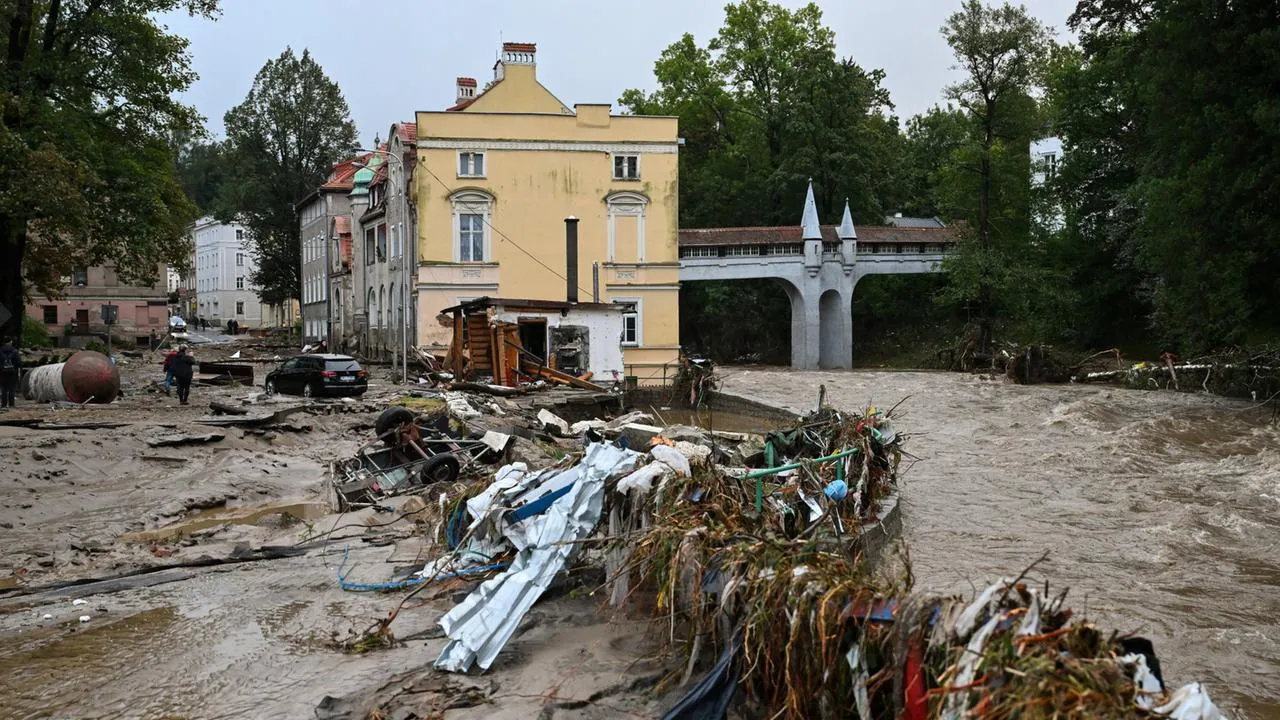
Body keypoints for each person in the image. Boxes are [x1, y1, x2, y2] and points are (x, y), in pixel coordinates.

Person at [0, 337, 19, 408]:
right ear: (10, 342)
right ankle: (11, 404)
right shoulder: (14, 351)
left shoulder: (0, 351)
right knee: (11, 388)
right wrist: (15, 368)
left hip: (2, 372)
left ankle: (3, 404)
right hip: (12, 372)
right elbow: (18, 362)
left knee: (3, 388)